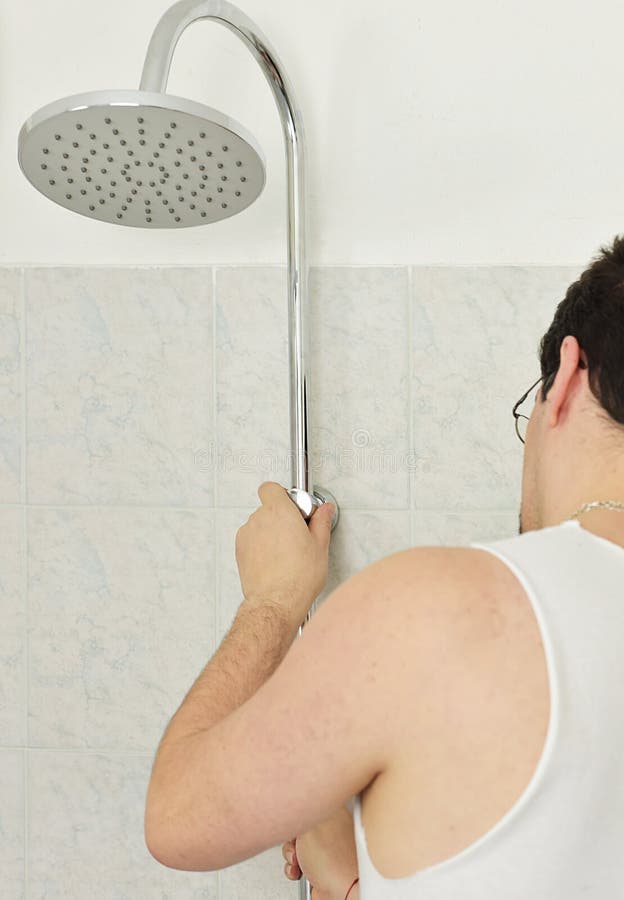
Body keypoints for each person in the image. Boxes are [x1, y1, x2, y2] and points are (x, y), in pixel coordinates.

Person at [146, 234, 624, 900]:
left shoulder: (438, 608)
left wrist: (272, 603)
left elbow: (175, 820)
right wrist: (342, 875)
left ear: (567, 375)